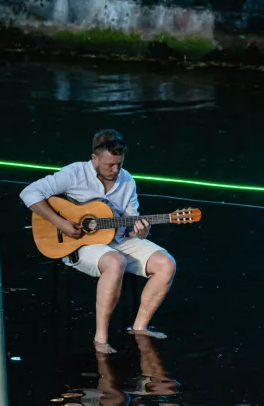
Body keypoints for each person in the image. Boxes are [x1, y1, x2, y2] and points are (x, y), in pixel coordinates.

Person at [20, 130, 177, 354]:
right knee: (115, 262)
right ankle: (101, 339)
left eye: (119, 164)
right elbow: (30, 193)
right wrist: (61, 223)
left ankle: (139, 327)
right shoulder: (75, 173)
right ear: (94, 158)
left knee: (166, 264)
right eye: (109, 165)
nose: (114, 170)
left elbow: (130, 224)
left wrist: (141, 232)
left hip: (117, 239)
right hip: (79, 244)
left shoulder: (127, 180)